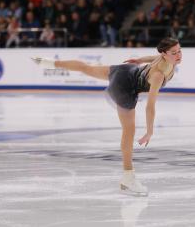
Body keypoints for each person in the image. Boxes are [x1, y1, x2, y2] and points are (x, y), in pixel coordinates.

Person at [31, 38, 182, 196]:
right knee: (129, 131)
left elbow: (154, 58)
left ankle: (50, 63)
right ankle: (128, 179)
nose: (178, 55)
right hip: (125, 87)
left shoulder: (166, 59)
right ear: (164, 54)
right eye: (174, 53)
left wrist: (139, 60)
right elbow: (150, 106)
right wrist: (150, 131)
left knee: (86, 68)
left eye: (179, 51)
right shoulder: (158, 75)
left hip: (124, 70)